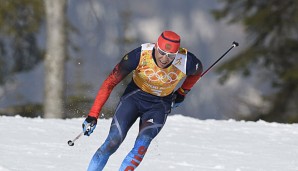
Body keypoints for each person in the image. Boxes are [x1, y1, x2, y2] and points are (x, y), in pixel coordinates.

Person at [82, 30, 203, 171]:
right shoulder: (139, 55)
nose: (164, 59)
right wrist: (93, 115)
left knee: (141, 145)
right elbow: (110, 83)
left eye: (171, 56)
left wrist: (182, 92)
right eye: (162, 52)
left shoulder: (187, 61)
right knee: (113, 142)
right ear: (156, 46)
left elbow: (197, 73)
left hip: (159, 105)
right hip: (133, 98)